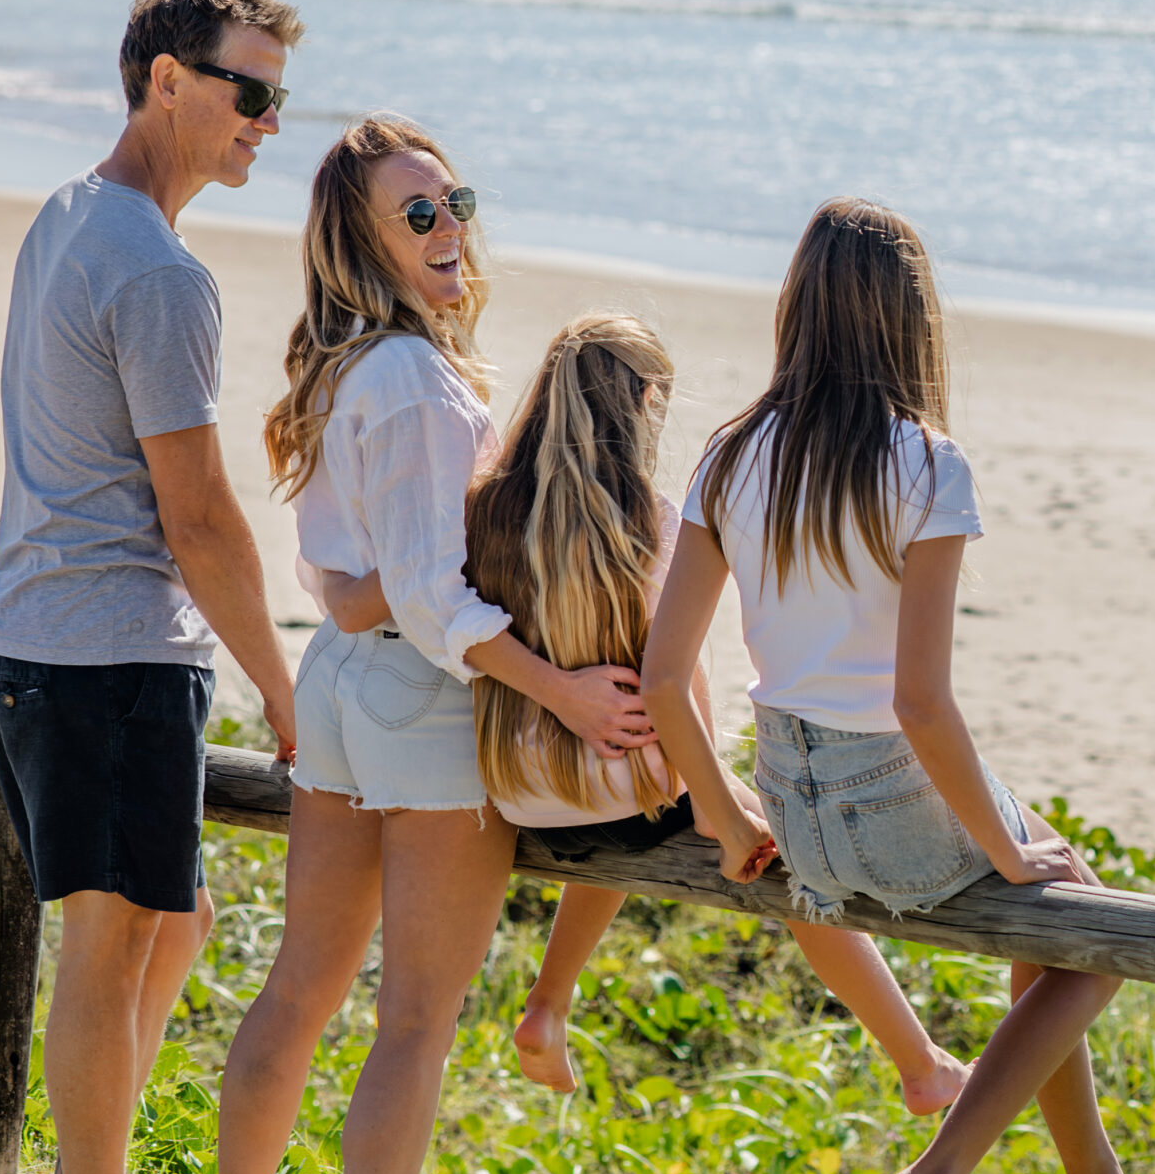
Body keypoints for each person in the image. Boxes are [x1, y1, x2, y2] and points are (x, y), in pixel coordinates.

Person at [640, 197, 1155, 1174]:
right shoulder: (925, 463)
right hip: (880, 787)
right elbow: (918, 704)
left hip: (794, 802)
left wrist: (725, 813)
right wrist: (1006, 851)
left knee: (1054, 913)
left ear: (796, 307)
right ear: (912, 320)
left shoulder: (730, 451)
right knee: (1089, 934)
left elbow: (667, 680)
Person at [202, 115, 654, 1174]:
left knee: (300, 987)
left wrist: (367, 597)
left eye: (455, 200)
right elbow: (430, 595)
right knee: (412, 1020)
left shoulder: (361, 367)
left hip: (353, 682)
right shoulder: (409, 378)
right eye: (418, 215)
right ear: (363, 242)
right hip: (421, 694)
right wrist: (560, 690)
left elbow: (341, 573)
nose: (449, 227)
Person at [311, 312, 969, 1112]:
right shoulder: (650, 523)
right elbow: (673, 686)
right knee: (787, 855)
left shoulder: (479, 510)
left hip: (518, 789)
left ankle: (549, 1006)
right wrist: (725, 805)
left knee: (641, 787)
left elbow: (420, 597)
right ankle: (918, 1058)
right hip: (623, 788)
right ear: (647, 401)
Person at [0, 0, 305, 1174]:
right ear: (166, 78)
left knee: (176, 919)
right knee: (112, 951)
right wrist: (290, 691)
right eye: (251, 92)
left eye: (282, 101)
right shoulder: (162, 272)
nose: (268, 124)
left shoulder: (67, 216)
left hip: (39, 638)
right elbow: (203, 518)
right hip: (108, 653)